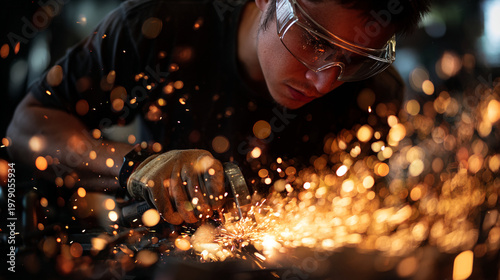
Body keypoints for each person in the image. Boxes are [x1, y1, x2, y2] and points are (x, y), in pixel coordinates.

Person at [7, 0, 431, 226]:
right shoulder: (166, 24)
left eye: (354, 59)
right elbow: (28, 125)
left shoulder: (372, 97)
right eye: (315, 42)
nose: (325, 81)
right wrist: (135, 167)